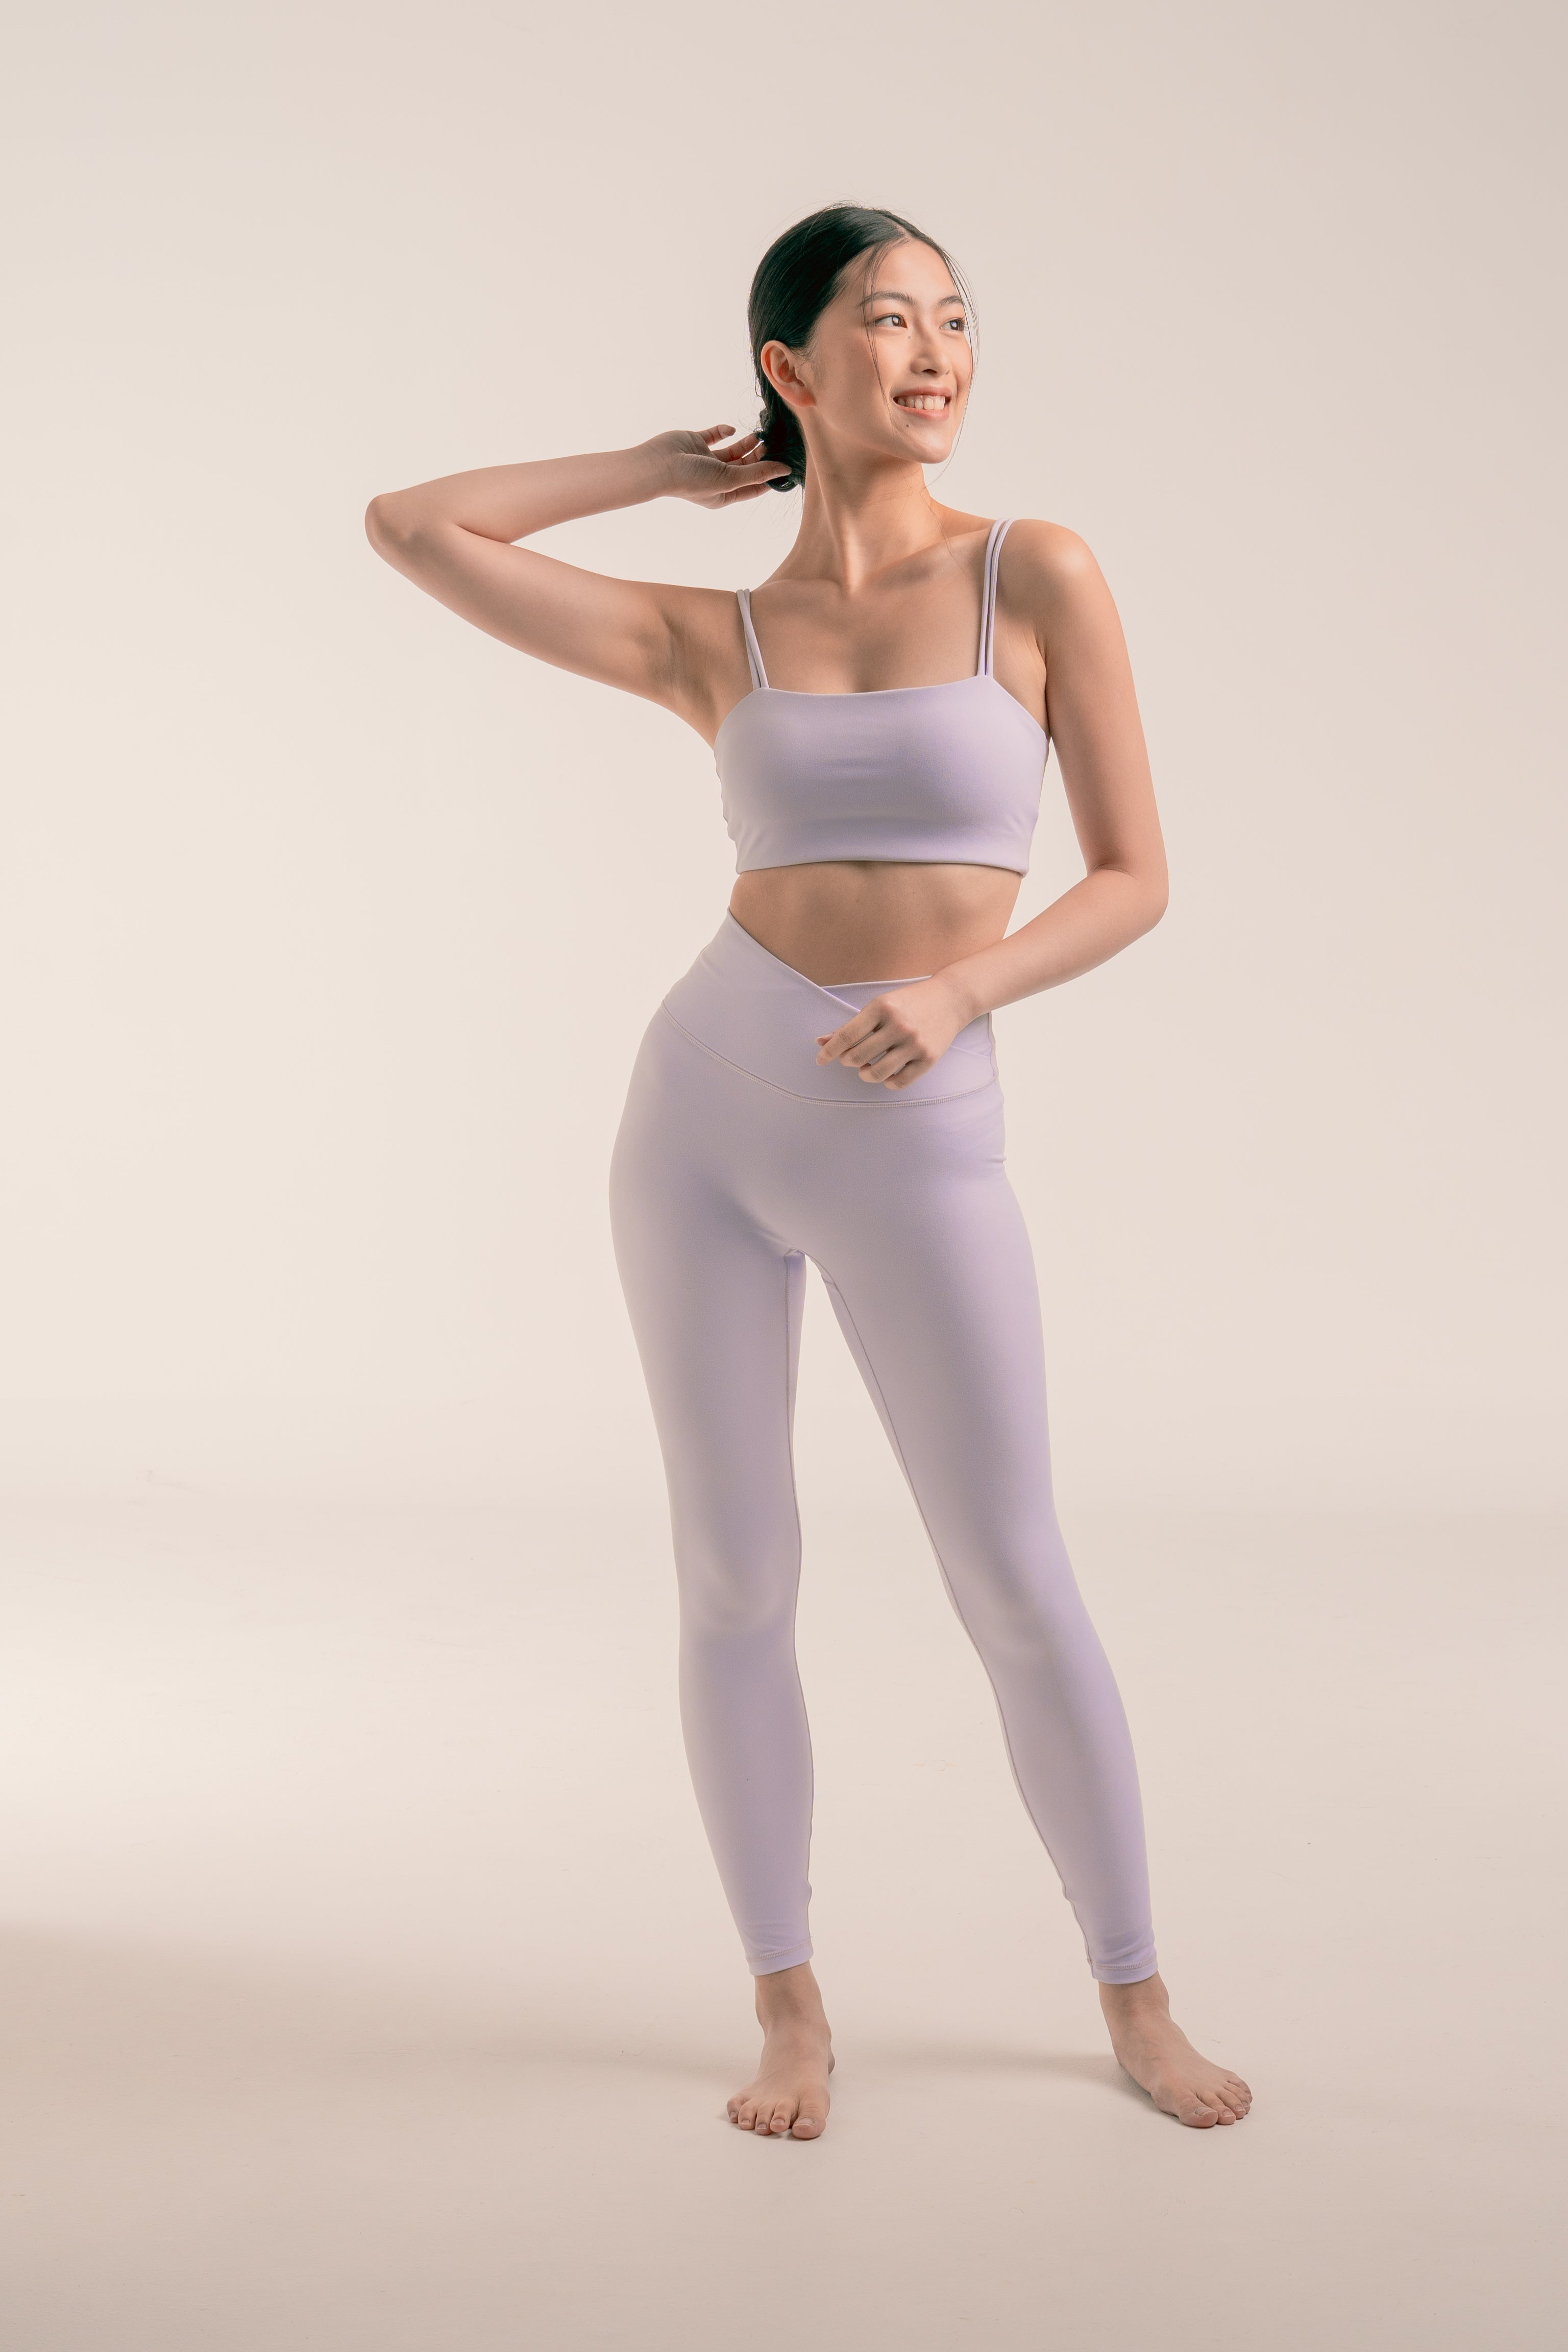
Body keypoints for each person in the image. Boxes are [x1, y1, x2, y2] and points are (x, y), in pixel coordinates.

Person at [365, 203, 1252, 2140]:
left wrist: (962, 990)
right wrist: (654, 473)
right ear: (791, 367)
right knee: (734, 1577)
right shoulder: (718, 638)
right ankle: (788, 2005)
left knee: (1012, 1577)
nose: (936, 355)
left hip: (919, 1133)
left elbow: (1134, 877)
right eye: (887, 321)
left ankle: (1137, 1993)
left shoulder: (1034, 571)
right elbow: (414, 527)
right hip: (703, 1119)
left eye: (957, 320)